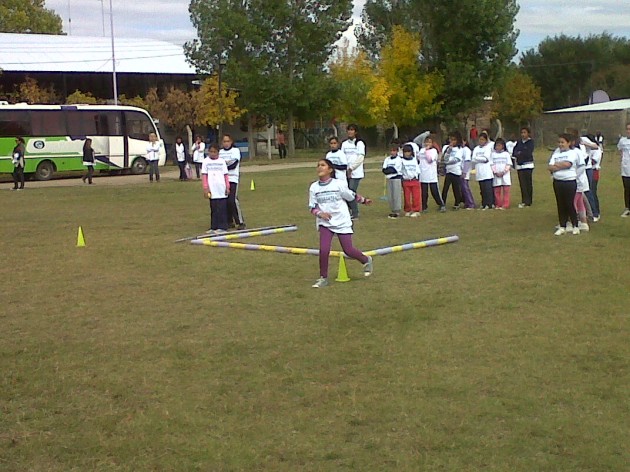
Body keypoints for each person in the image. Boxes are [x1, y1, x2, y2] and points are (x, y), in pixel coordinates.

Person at [308, 158, 373, 288]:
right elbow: (312, 207)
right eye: (318, 165)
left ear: (330, 170)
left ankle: (366, 260)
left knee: (348, 250)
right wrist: (321, 214)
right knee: (324, 250)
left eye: (323, 165)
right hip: (325, 223)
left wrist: (364, 200)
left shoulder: (338, 184)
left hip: (342, 221)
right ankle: (323, 278)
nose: (319, 168)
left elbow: (351, 196)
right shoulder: (314, 187)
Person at [548, 134, 579, 235]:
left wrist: (557, 165)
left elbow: (568, 164)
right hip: (557, 181)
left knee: (569, 203)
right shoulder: (556, 153)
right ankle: (562, 226)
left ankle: (575, 225)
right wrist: (560, 165)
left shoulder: (572, 153)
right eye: (559, 142)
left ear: (568, 143)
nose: (560, 144)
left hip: (569, 181)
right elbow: (550, 167)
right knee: (560, 204)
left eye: (563, 142)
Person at [202, 143, 230, 233]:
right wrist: (206, 188)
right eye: (211, 152)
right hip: (212, 189)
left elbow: (225, 175)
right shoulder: (206, 161)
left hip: (221, 188)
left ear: (218, 152)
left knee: (222, 208)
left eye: (215, 152)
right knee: (214, 208)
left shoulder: (222, 161)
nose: (212, 154)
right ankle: (214, 226)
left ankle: (223, 226)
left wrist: (227, 187)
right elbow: (204, 176)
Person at [219, 134, 246, 229]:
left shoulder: (235, 151)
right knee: (225, 200)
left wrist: (224, 166)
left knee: (232, 200)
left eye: (228, 141)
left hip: (232, 178)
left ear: (231, 142)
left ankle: (240, 222)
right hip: (222, 179)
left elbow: (233, 165)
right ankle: (229, 221)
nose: (226, 143)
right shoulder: (220, 152)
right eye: (224, 141)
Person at [341, 124, 366, 219]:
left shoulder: (359, 143)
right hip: (345, 172)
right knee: (345, 192)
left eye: (352, 130)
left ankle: (355, 213)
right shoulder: (344, 144)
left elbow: (360, 158)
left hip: (356, 172)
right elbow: (342, 157)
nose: (350, 132)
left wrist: (351, 168)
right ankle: (348, 211)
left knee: (351, 191)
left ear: (355, 132)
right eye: (349, 130)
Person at [418, 135, 445, 212]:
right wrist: (424, 151)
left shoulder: (433, 151)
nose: (427, 143)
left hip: (431, 175)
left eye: (429, 142)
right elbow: (419, 158)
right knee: (424, 192)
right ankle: (424, 207)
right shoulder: (421, 150)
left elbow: (430, 160)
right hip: (423, 174)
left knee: (434, 191)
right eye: (426, 142)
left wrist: (426, 151)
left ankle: (441, 204)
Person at [512, 127, 535, 208]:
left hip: (528, 165)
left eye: (525, 132)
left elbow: (528, 152)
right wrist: (519, 153)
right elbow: (514, 152)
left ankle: (529, 201)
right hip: (520, 165)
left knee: (528, 183)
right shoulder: (519, 142)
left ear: (528, 133)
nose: (523, 134)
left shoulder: (530, 142)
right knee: (522, 184)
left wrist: (520, 153)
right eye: (522, 132)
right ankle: (524, 200)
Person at [441, 131, 464, 210]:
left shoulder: (459, 149)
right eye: (451, 139)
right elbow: (444, 158)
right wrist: (449, 150)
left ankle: (457, 203)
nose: (452, 141)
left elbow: (457, 159)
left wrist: (447, 162)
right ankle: (442, 203)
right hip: (448, 171)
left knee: (456, 188)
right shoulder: (446, 147)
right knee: (445, 188)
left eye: (454, 140)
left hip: (456, 170)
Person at [472, 132, 495, 210]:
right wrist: (478, 158)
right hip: (479, 171)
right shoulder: (476, 148)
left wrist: (477, 158)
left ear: (486, 140)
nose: (481, 141)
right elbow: (473, 158)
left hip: (487, 171)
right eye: (480, 139)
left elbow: (486, 159)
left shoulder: (487, 148)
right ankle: (484, 203)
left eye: (483, 139)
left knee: (488, 189)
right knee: (482, 189)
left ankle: (490, 203)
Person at [382, 144, 403, 218]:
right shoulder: (387, 159)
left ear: (397, 151)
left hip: (396, 178)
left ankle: (397, 211)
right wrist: (389, 170)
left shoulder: (399, 159)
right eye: (391, 151)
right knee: (390, 196)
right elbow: (384, 169)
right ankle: (393, 210)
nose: (392, 152)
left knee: (396, 195)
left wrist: (389, 169)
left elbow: (395, 170)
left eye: (394, 151)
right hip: (389, 179)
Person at [400, 143, 422, 217]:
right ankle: (408, 210)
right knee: (407, 197)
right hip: (406, 180)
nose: (407, 153)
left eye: (408, 152)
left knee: (416, 196)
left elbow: (417, 170)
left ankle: (416, 210)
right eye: (405, 152)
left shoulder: (414, 160)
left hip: (414, 180)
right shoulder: (401, 161)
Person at [491, 138, 511, 209]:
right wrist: (495, 172)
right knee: (497, 190)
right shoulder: (493, 155)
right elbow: (491, 164)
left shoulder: (506, 154)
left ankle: (506, 204)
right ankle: (498, 204)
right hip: (496, 175)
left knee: (506, 190)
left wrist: (503, 172)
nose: (498, 147)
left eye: (499, 145)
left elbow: (509, 164)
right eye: (496, 146)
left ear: (503, 146)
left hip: (505, 175)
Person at [617, 122, 630, 217]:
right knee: (627, 189)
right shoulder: (623, 140)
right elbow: (620, 151)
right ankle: (627, 208)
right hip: (626, 169)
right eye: (628, 129)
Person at [589, 139, 603, 222]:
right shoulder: (587, 150)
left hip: (594, 172)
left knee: (592, 192)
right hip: (586, 172)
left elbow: (593, 161)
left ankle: (596, 213)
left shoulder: (597, 150)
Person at [461, 138, 476, 209]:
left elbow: (467, 161)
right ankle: (466, 202)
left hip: (465, 172)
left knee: (465, 188)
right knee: (462, 188)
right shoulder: (460, 149)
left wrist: (464, 172)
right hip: (459, 171)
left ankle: (471, 203)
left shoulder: (466, 150)